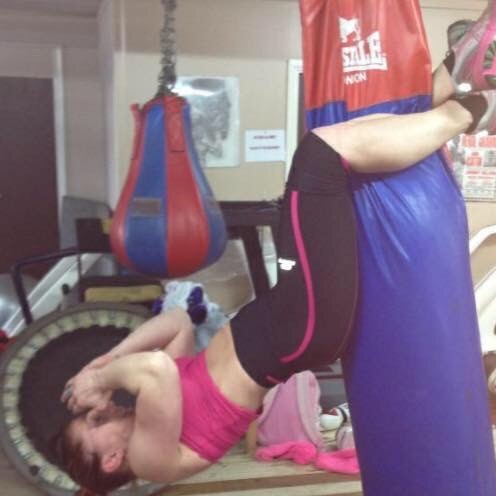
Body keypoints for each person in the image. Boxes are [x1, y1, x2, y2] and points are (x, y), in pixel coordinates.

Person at [54, 5, 496, 493]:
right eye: (93, 425)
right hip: (299, 328)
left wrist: (104, 362)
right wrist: (101, 381)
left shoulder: (160, 409)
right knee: (320, 154)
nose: (96, 413)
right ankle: (471, 110)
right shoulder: (151, 460)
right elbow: (154, 370)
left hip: (294, 317)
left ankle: (457, 74)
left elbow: (176, 323)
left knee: (334, 163)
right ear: (112, 459)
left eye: (89, 415)